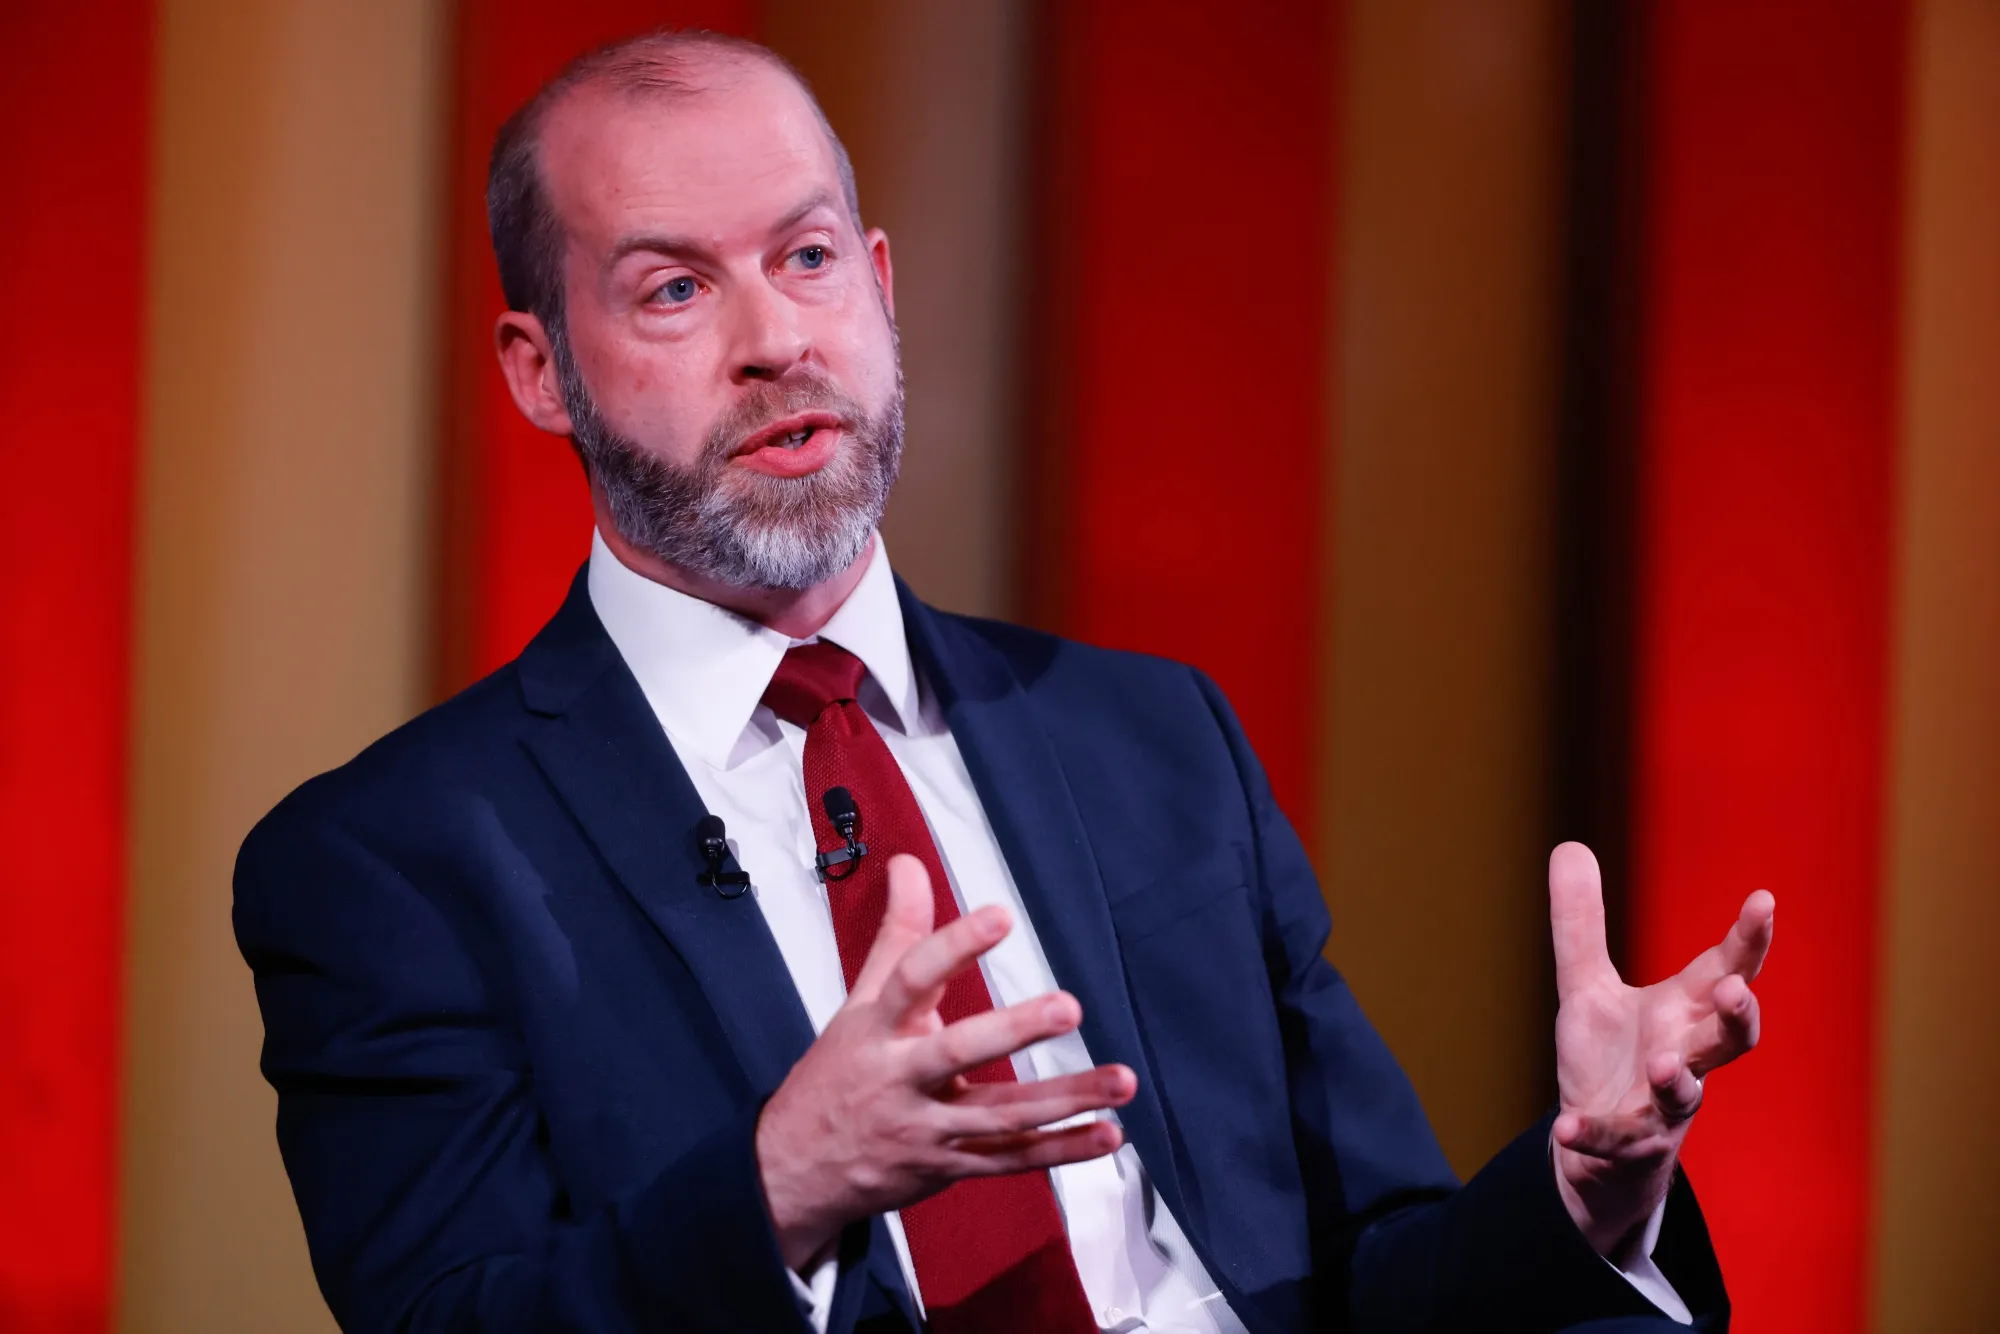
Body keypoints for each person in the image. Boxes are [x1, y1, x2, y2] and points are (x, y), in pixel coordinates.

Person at [234, 29, 1772, 1334]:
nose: (776, 340)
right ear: (538, 369)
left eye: (807, 258)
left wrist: (1587, 1185)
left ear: (880, 285)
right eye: (674, 291)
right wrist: (782, 1185)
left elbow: (1374, 1278)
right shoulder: (390, 863)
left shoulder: (1154, 739)